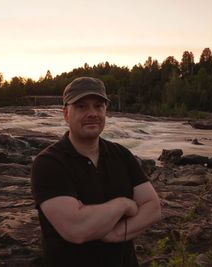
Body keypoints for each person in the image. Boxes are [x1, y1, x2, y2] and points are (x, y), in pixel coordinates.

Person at [31, 77, 161, 267]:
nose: (92, 113)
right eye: (82, 107)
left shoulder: (121, 154)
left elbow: (153, 208)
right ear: (66, 114)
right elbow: (76, 229)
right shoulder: (49, 163)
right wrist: (124, 204)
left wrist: (117, 233)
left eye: (98, 106)